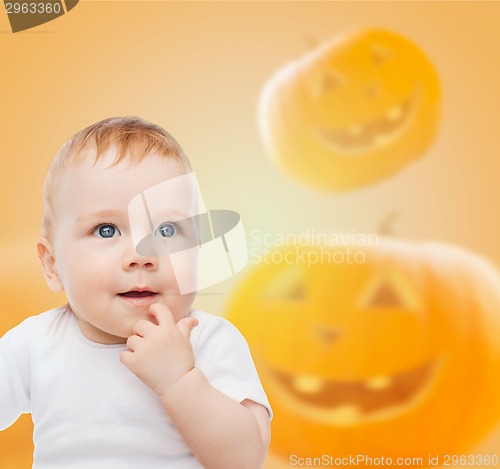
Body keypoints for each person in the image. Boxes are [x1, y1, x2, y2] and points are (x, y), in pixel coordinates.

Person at [0, 117, 272, 469]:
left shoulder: (208, 342)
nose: (142, 256)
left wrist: (179, 381)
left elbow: (245, 460)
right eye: (107, 230)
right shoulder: (33, 345)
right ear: (52, 265)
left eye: (168, 229)